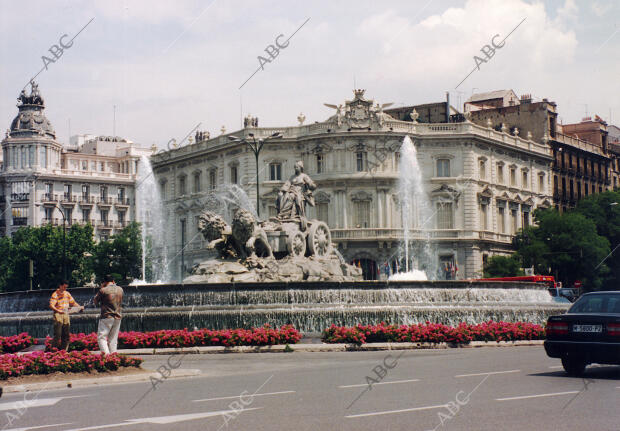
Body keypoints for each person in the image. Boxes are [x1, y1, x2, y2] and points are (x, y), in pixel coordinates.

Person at [49, 280, 84, 350]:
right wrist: (58, 310)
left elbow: (73, 303)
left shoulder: (67, 293)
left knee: (66, 334)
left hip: (66, 314)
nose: (65, 289)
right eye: (64, 287)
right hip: (58, 314)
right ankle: (53, 350)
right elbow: (51, 305)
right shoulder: (55, 294)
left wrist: (79, 307)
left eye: (66, 287)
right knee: (58, 334)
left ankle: (64, 350)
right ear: (60, 286)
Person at [94, 274, 124, 354]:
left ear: (104, 282)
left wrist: (101, 288)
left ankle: (107, 357)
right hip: (118, 316)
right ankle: (113, 358)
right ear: (113, 281)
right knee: (113, 339)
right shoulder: (120, 289)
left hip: (106, 316)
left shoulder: (103, 290)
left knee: (102, 338)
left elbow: (95, 301)